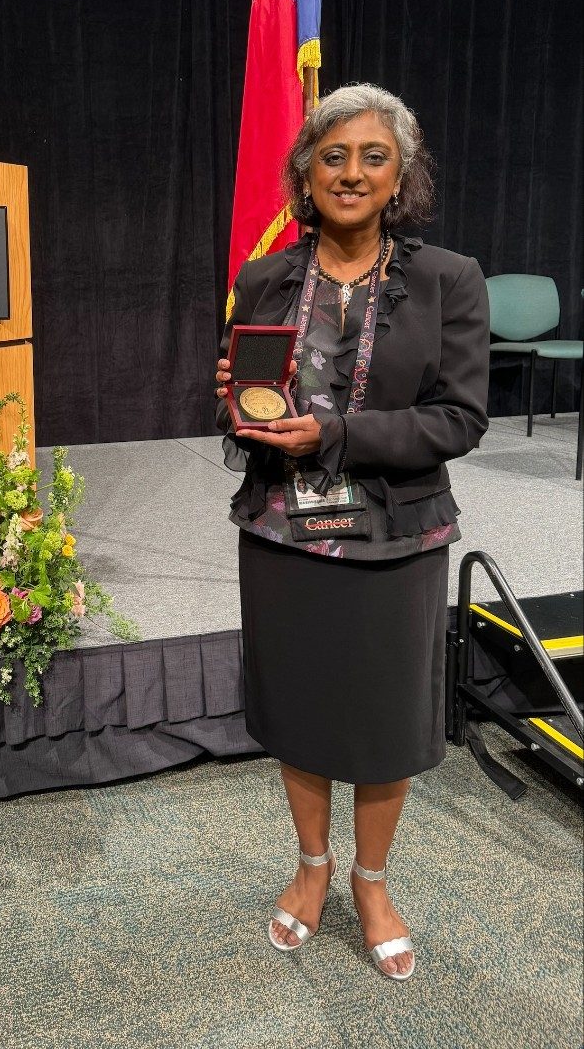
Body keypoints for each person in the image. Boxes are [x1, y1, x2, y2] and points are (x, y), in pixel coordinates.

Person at [215, 84, 489, 981]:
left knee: (382, 717)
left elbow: (458, 419)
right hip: (284, 531)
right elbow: (244, 414)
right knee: (300, 708)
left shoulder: (448, 279)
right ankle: (311, 868)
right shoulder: (263, 279)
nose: (351, 172)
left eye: (374, 156)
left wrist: (333, 436)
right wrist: (238, 406)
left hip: (395, 532)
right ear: (304, 173)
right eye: (331, 156)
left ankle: (371, 882)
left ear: (399, 176)